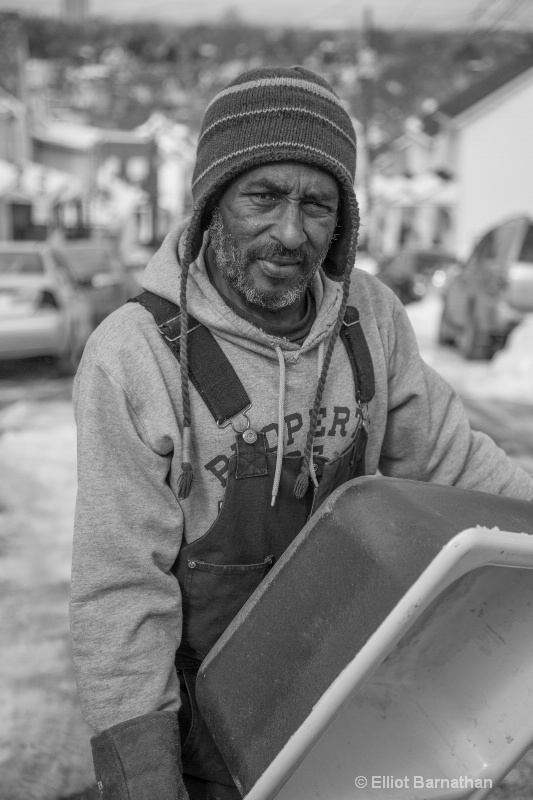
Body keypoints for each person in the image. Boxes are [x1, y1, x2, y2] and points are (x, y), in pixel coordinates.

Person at [70, 66, 533, 800]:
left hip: (356, 694)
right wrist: (144, 775)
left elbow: (451, 461)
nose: (290, 233)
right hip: (207, 732)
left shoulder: (368, 318)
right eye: (262, 196)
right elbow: (121, 584)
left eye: (317, 205)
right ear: (209, 204)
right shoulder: (134, 355)